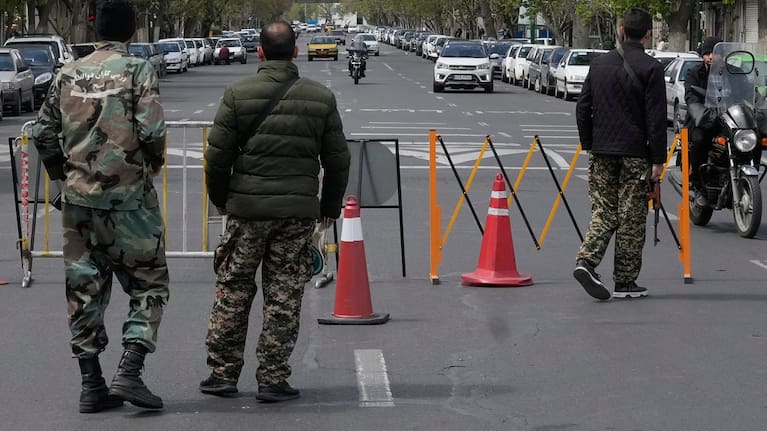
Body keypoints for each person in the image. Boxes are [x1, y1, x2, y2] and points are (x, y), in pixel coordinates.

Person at [200, 20, 350, 402]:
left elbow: (217, 157)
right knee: (283, 294)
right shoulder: (320, 98)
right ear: (296, 51)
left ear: (260, 52)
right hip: (297, 212)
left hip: (246, 210)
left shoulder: (237, 94)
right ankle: (272, 378)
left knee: (233, 289)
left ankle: (222, 373)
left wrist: (221, 199)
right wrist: (328, 207)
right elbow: (338, 159)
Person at [31, 0, 168, 412]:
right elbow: (152, 130)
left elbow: (42, 132)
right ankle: (130, 370)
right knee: (149, 284)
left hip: (78, 202)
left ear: (94, 30)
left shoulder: (67, 72)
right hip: (130, 202)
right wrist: (151, 167)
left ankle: (92, 384)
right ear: (131, 31)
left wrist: (61, 175)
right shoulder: (138, 70)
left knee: (83, 289)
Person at [572, 7, 666, 300]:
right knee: (631, 216)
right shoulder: (651, 69)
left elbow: (582, 108)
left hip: (601, 152)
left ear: (621, 30)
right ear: (648, 34)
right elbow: (656, 119)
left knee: (604, 210)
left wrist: (590, 143)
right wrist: (658, 160)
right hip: (635, 154)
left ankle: (586, 261)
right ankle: (625, 281)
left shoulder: (599, 65)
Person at [684, 36, 722, 207]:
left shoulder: (733, 71)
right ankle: (697, 183)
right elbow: (690, 97)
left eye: (714, 53)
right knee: (699, 139)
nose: (711, 57)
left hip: (727, 119)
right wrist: (703, 113)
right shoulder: (695, 73)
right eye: (707, 53)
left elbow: (744, 90)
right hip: (703, 120)